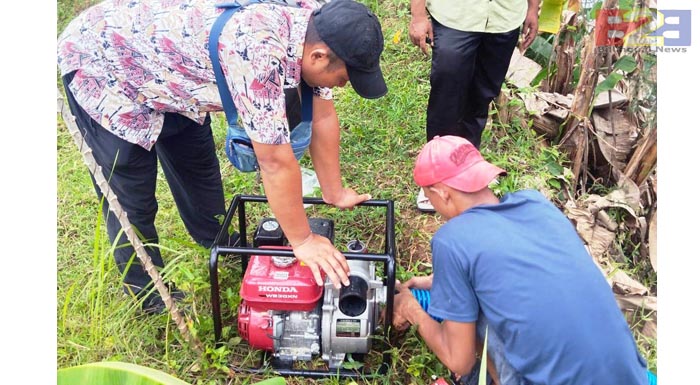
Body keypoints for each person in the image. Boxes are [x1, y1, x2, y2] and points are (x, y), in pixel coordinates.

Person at [57, 0, 387, 314]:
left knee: (197, 166)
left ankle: (215, 236)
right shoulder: (258, 56)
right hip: (105, 65)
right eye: (343, 79)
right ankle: (149, 295)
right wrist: (303, 241)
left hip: (173, 71)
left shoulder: (318, 24)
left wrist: (334, 191)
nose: (343, 86)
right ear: (318, 56)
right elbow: (274, 162)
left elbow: (324, 117)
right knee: (131, 196)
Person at [392, 135, 649, 385]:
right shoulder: (536, 204)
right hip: (631, 375)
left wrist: (410, 309)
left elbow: (459, 361)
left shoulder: (451, 240)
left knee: (470, 329)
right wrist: (441, 282)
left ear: (442, 192)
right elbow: (524, 275)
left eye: (429, 196)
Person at [410, 0, 540, 211]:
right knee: (446, 95)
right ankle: (436, 178)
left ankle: (468, 171)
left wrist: (532, 8)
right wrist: (418, 15)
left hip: (504, 17)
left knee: (482, 95)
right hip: (456, 14)